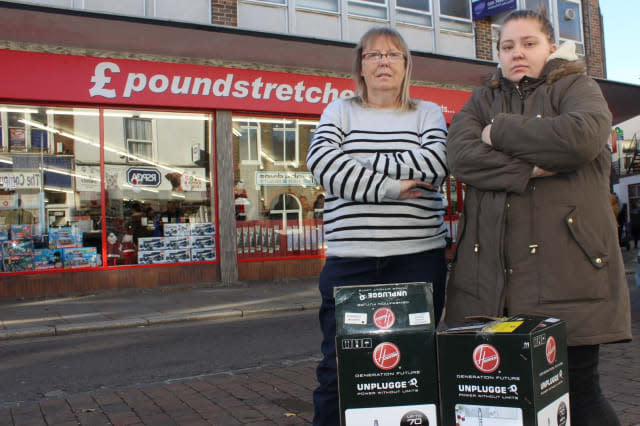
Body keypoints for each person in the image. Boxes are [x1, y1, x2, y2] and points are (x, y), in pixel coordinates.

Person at [444, 10, 632, 426]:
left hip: (568, 274)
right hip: (493, 284)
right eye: (507, 46)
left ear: (550, 47)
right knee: (510, 403)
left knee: (580, 394)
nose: (518, 53)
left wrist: (500, 132)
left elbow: (580, 137)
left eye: (529, 43)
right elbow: (460, 156)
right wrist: (527, 168)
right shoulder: (482, 99)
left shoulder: (577, 86)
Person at [306, 26, 449, 426]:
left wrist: (360, 162)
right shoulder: (339, 110)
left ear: (406, 66)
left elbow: (436, 166)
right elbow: (323, 167)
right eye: (373, 55)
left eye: (393, 55)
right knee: (339, 368)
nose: (383, 61)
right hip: (350, 263)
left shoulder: (429, 112)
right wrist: (393, 187)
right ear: (361, 66)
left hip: (417, 260)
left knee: (414, 365)